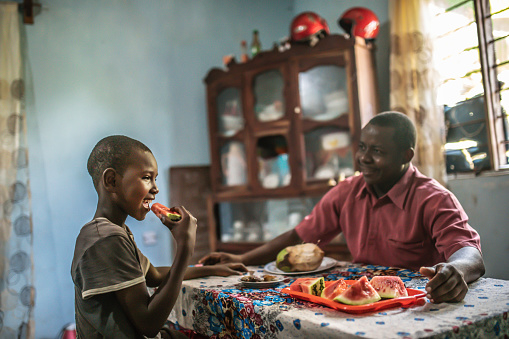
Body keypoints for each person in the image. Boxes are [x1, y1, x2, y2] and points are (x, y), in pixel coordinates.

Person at [200, 111, 485, 304]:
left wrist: (456, 270)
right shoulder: (347, 191)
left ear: (405, 155)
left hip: (417, 306)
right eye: (362, 147)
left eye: (377, 151)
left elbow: (469, 252)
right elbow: (298, 237)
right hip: (360, 308)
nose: (364, 159)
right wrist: (242, 258)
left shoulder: (434, 198)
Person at [71, 135, 247, 339]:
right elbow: (148, 324)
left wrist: (212, 270)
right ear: (111, 181)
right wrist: (184, 247)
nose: (155, 188)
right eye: (146, 178)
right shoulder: (107, 239)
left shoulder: (113, 231)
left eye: (155, 178)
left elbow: (153, 274)